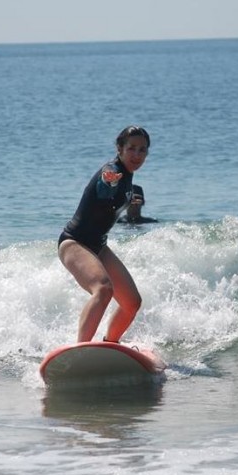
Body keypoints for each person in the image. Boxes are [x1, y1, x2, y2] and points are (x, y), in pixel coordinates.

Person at [58, 126, 151, 343]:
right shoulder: (112, 170)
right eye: (131, 148)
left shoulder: (128, 179)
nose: (137, 155)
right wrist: (109, 181)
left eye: (142, 150)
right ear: (120, 148)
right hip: (74, 243)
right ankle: (82, 348)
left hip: (98, 247)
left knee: (131, 303)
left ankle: (110, 344)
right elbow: (105, 186)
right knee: (103, 289)